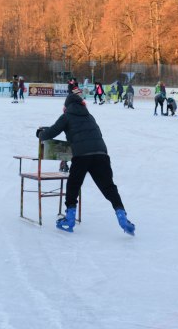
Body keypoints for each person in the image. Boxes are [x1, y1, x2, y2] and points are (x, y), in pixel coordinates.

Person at [37, 87, 135, 235]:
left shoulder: (67, 116)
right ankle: (122, 215)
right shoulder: (90, 116)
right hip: (101, 154)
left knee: (73, 185)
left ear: (67, 106)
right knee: (108, 187)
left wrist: (40, 133)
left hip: (82, 155)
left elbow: (51, 133)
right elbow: (98, 134)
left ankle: (69, 218)